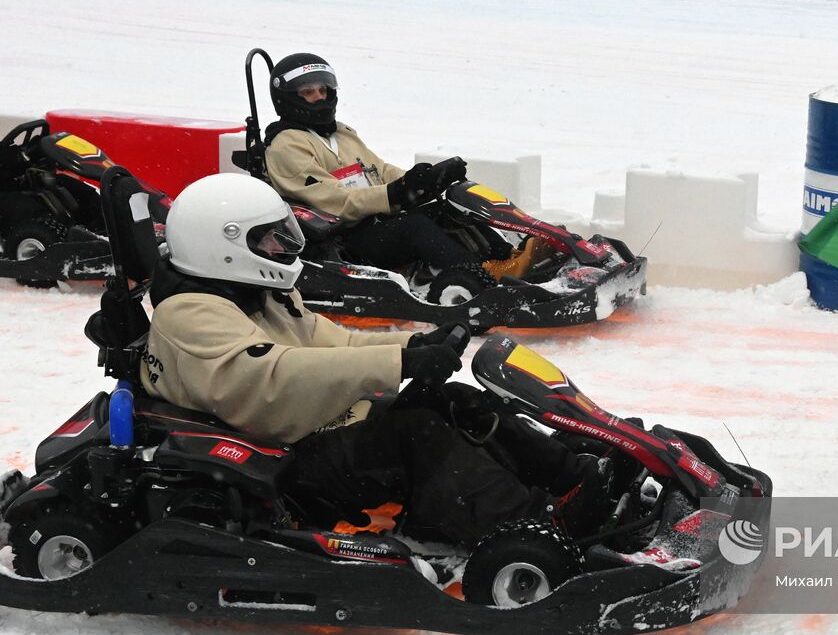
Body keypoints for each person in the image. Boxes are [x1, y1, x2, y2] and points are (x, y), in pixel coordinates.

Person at [140, 172, 610, 545]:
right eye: (268, 241)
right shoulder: (190, 313)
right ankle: (529, 529)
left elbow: (335, 346)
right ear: (223, 247)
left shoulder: (257, 293)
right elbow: (272, 375)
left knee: (453, 400)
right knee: (415, 432)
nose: (281, 249)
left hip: (306, 428)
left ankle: (574, 477)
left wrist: (413, 348)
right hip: (277, 463)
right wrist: (396, 365)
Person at [260, 52, 485, 300]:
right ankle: (477, 284)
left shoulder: (340, 134)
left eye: (323, 90)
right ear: (289, 98)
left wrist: (426, 180)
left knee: (447, 211)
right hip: (342, 240)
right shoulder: (286, 146)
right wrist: (397, 192)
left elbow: (378, 170)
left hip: (372, 222)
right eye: (308, 92)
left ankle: (505, 261)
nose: (319, 97)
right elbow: (336, 200)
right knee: (415, 227)